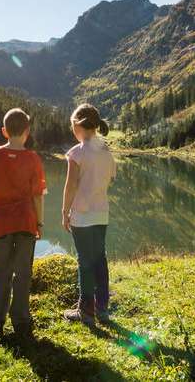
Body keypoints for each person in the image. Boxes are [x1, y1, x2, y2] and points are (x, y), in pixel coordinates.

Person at [0, 108, 46, 338]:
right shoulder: (33, 158)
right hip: (26, 223)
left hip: (1, 224)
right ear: (27, 132)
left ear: (4, 131)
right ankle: (21, 321)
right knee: (23, 273)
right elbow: (38, 195)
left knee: (1, 273)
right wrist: (40, 222)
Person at [61, 103, 116, 326]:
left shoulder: (76, 153)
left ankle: (86, 312)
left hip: (82, 216)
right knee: (99, 259)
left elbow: (70, 186)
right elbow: (110, 180)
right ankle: (102, 309)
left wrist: (65, 212)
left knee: (85, 262)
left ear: (78, 125)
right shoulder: (106, 151)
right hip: (101, 213)